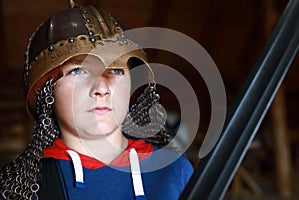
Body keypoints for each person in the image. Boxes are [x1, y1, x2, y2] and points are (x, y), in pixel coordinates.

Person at [0, 1, 193, 200]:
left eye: (116, 70)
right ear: (47, 92)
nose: (101, 89)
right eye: (78, 71)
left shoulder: (175, 172)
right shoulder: (18, 187)